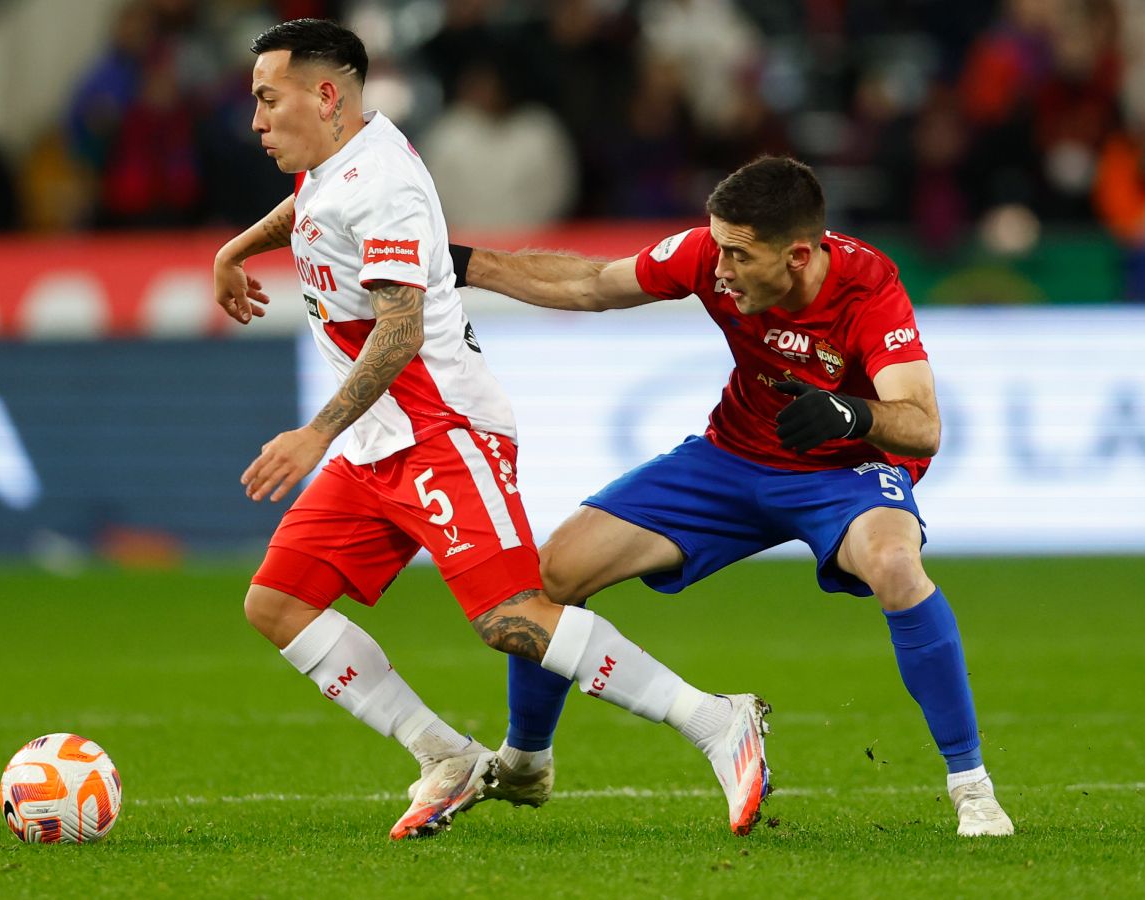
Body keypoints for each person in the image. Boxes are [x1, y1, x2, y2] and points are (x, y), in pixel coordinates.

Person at [212, 18, 773, 840]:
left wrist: (316, 433)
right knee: (278, 602)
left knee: (512, 616)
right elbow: (310, 205)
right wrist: (235, 249)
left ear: (325, 96)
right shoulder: (338, 159)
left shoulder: (383, 184)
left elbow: (399, 329)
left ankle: (715, 720)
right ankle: (445, 755)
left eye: (269, 100)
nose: (257, 120)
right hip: (379, 441)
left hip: (442, 430)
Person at [449, 155, 1015, 838]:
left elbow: (923, 426)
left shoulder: (869, 288)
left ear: (797, 256)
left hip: (844, 472)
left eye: (738, 256)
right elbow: (594, 284)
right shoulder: (708, 255)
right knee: (554, 572)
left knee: (896, 567)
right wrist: (464, 264)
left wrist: (851, 414)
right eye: (717, 248)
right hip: (733, 456)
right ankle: (526, 761)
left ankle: (972, 788)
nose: (718, 269)